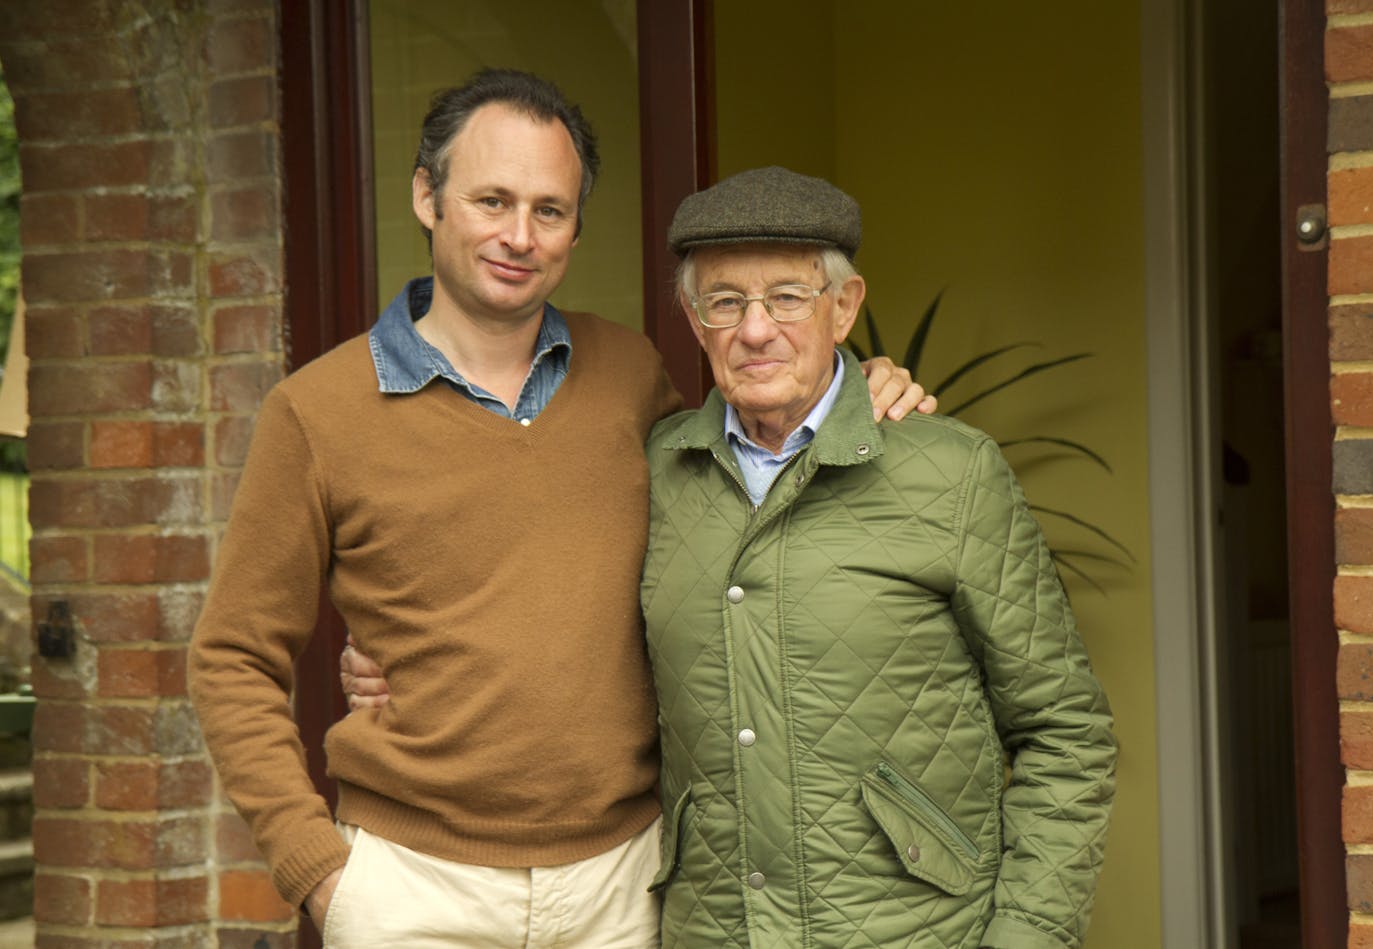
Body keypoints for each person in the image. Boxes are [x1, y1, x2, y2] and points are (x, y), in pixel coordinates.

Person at [188, 70, 931, 948]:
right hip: (416, 889)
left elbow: (741, 519)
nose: (518, 235)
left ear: (577, 225)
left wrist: (858, 387)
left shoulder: (630, 375)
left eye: (550, 209)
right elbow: (232, 654)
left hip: (625, 880)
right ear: (428, 196)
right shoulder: (318, 412)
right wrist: (317, 873)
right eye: (491, 199)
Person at [636, 167, 1117, 947]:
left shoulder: (952, 472)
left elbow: (1065, 732)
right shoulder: (658, 472)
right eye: (726, 301)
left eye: (788, 297)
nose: (756, 330)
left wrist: (1026, 937)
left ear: (844, 306)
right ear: (695, 320)